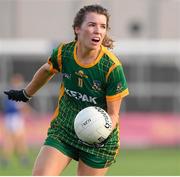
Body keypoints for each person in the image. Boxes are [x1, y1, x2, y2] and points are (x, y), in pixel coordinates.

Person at [4, 4, 129, 176]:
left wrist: (102, 135)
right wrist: (26, 94)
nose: (98, 30)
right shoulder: (65, 53)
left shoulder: (112, 67)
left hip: (98, 141)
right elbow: (47, 69)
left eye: (103, 26)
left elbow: (114, 114)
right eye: (92, 24)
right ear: (77, 28)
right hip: (65, 130)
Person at [1, 74, 30, 167]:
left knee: (12, 139)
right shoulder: (15, 92)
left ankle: (7, 159)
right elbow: (17, 107)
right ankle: (22, 158)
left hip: (11, 118)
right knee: (18, 139)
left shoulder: (11, 92)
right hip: (14, 118)